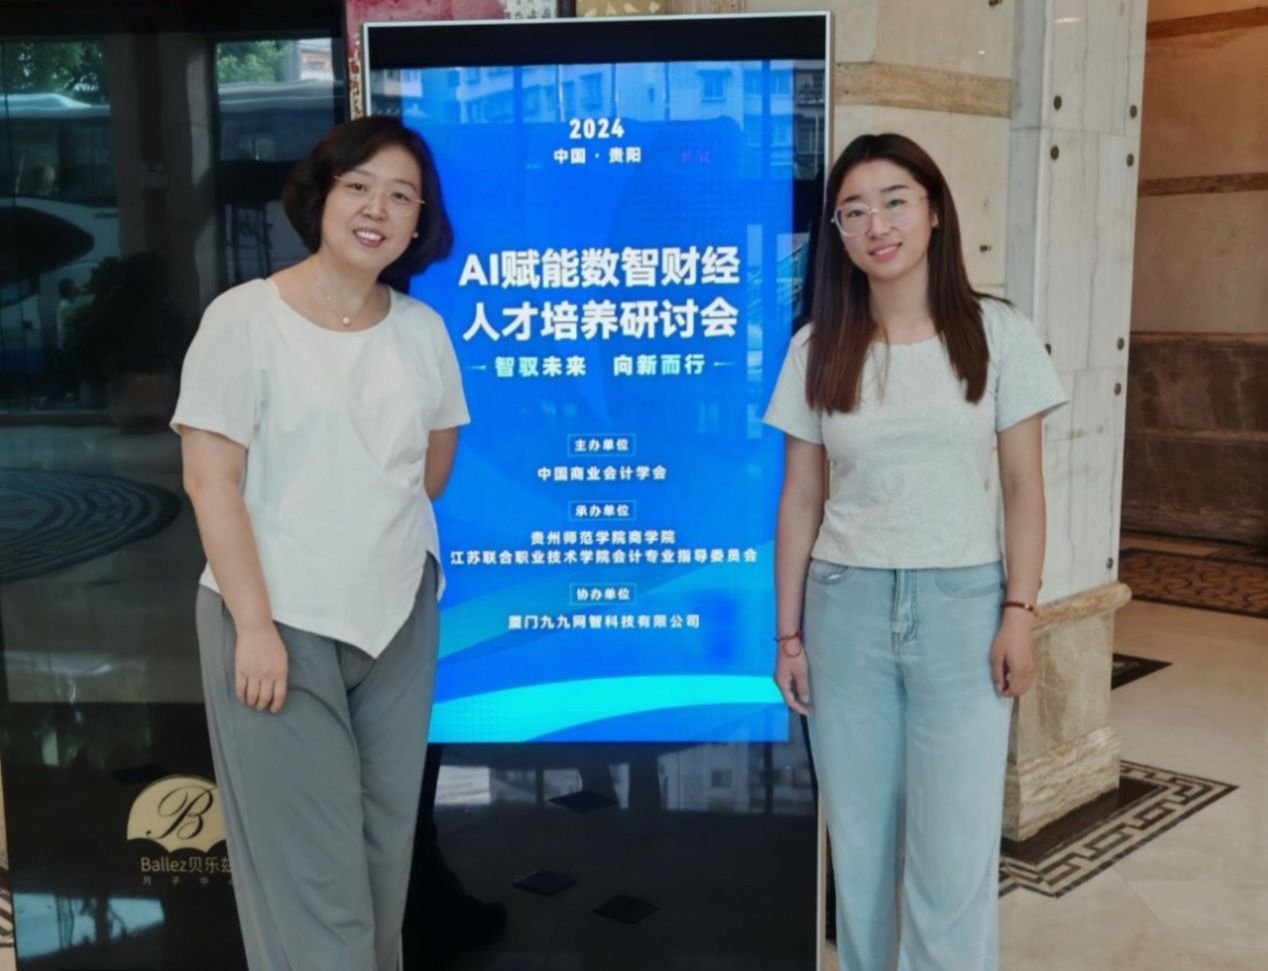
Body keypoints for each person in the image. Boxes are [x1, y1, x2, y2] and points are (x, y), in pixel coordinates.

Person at [764, 133, 1067, 971]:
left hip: (964, 609)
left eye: (895, 201)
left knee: (954, 855)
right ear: (837, 233)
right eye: (854, 210)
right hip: (845, 607)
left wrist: (1020, 612)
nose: (878, 225)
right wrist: (789, 635)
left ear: (934, 211)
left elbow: (1024, 488)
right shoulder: (817, 345)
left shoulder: (998, 333)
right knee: (860, 852)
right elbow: (800, 499)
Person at [172, 115, 468, 971]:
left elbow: (433, 473)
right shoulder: (244, 319)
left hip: (396, 615)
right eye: (359, 186)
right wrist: (254, 626)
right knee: (314, 883)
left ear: (420, 222)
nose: (378, 209)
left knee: (381, 866)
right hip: (275, 619)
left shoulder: (423, 330)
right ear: (322, 195)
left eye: (402, 196)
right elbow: (210, 481)